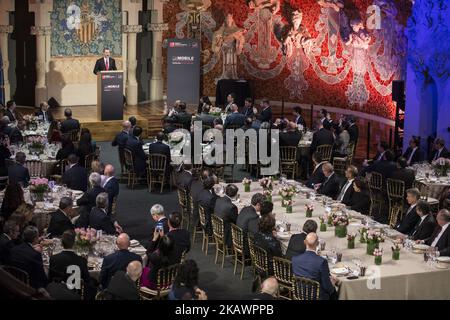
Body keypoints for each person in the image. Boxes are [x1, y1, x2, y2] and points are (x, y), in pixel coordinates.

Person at [291, 233, 338, 300]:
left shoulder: (295, 259)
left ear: (304, 242)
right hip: (317, 297)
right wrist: (332, 284)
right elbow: (328, 287)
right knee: (334, 293)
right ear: (318, 243)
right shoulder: (321, 262)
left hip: (299, 294)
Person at [48, 230, 92, 298]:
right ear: (74, 244)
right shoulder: (82, 260)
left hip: (57, 294)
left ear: (62, 244)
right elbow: (87, 281)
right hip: (75, 295)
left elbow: (50, 279)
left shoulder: (53, 259)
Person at [214, 184, 239, 248]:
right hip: (226, 232)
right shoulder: (232, 207)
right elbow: (237, 221)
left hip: (217, 228)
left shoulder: (218, 200)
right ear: (235, 194)